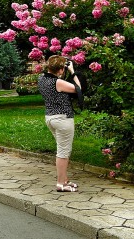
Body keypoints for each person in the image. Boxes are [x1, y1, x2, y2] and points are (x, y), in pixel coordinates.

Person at [37, 55, 82, 192]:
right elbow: (78, 89)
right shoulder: (58, 83)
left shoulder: (42, 79)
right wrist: (73, 71)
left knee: (63, 149)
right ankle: (61, 184)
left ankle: (65, 179)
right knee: (63, 152)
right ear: (61, 69)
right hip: (63, 119)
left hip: (50, 118)